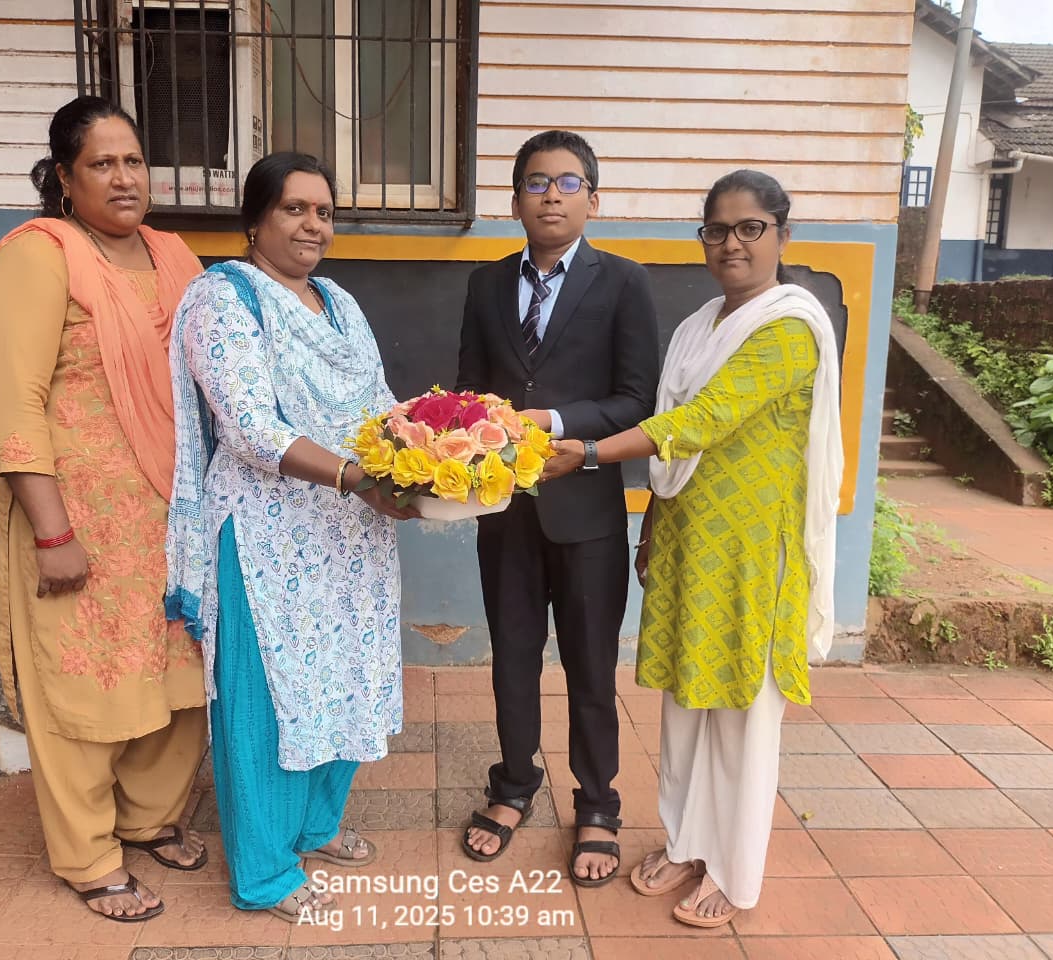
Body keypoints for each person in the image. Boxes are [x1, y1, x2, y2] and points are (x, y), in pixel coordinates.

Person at [542, 169, 844, 926]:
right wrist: (653, 523)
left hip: (753, 553)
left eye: (750, 228)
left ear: (783, 235)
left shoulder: (790, 327)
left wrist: (587, 452)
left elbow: (699, 422)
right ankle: (685, 843)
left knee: (741, 716)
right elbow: (677, 453)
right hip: (689, 543)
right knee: (685, 707)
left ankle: (733, 874)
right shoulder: (698, 325)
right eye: (716, 230)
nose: (732, 244)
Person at [0, 96, 210, 922]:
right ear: (65, 180)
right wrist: (53, 532)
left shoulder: (175, 256)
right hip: (78, 518)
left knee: (176, 677)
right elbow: (14, 401)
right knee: (83, 688)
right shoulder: (39, 257)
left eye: (133, 160)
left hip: (173, 515)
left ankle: (148, 818)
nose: (124, 177)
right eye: (101, 163)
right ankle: (89, 857)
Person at [164, 151, 415, 922]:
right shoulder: (222, 299)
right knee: (269, 696)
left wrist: (427, 458)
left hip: (351, 531)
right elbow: (249, 426)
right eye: (294, 209)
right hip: (267, 536)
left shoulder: (338, 302)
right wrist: (354, 477)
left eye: (324, 212)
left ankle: (316, 826)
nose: (314, 225)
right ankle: (266, 871)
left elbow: (378, 403)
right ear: (255, 219)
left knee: (344, 674)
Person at [455, 130, 660, 885]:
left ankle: (598, 802)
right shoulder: (484, 285)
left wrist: (555, 421)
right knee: (512, 655)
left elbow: (637, 399)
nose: (551, 196)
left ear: (592, 201)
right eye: (536, 183)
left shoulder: (624, 283)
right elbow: (469, 392)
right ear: (515, 200)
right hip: (504, 510)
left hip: (588, 514)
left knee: (590, 663)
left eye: (568, 183)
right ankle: (513, 784)